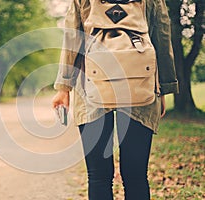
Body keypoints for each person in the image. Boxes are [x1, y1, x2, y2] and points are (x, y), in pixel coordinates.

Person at [52, 0, 178, 199]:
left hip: (91, 87)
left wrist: (64, 87)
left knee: (98, 176)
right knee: (136, 176)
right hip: (142, 85)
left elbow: (72, 38)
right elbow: (162, 36)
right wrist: (165, 86)